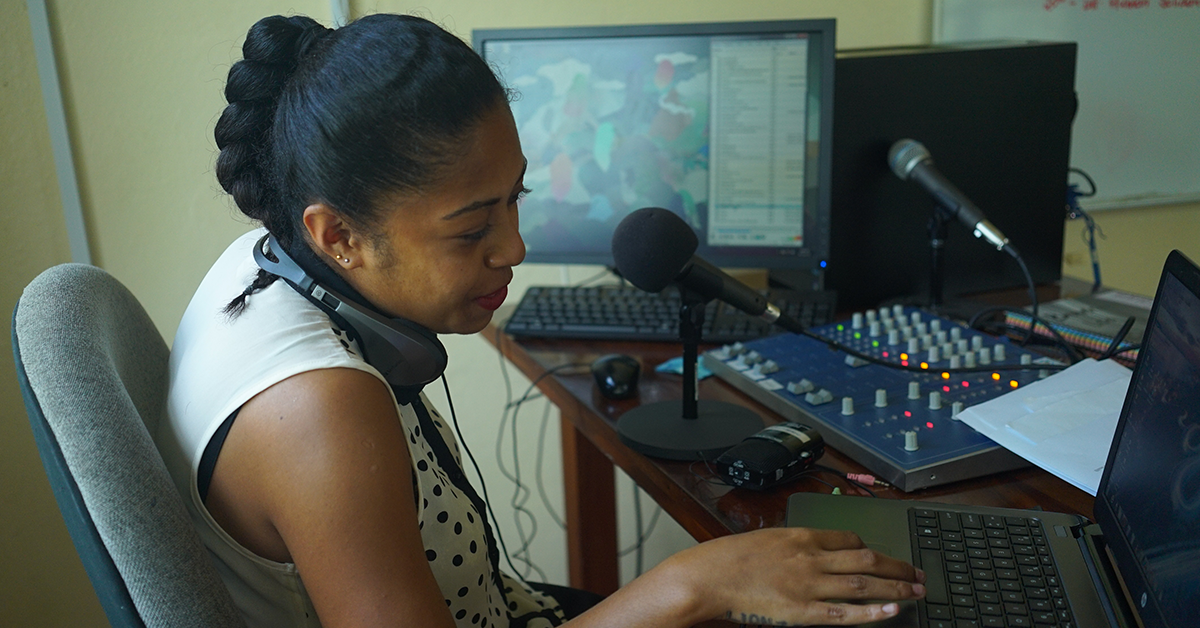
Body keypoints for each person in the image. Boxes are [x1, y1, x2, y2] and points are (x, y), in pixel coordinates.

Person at [157, 13, 927, 628]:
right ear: (339, 237)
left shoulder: (262, 260)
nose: (514, 249)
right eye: (471, 230)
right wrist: (692, 585)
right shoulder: (317, 412)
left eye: (515, 200)